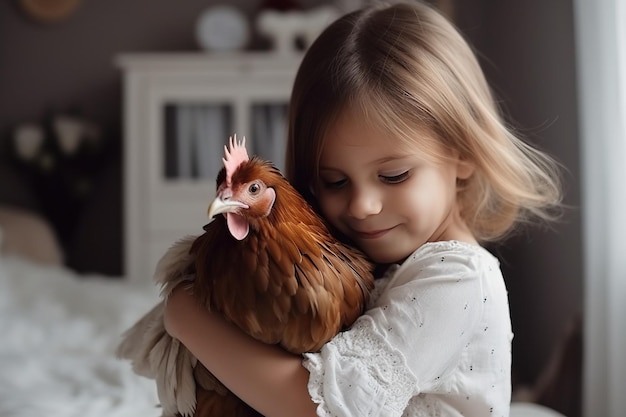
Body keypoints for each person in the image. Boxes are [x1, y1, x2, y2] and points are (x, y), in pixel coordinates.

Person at [164, 1, 563, 416]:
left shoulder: (458, 280)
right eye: (335, 181)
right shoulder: (378, 264)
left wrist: (186, 317)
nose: (362, 205)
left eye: (394, 176)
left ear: (462, 151)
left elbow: (324, 408)